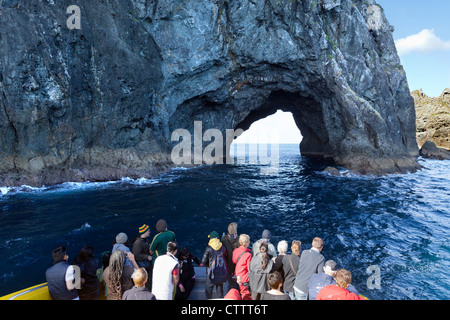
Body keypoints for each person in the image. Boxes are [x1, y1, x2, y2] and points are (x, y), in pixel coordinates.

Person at [202, 231, 228, 299]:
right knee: (220, 292)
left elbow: (203, 261)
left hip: (211, 273)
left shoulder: (209, 248)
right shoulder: (223, 247)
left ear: (211, 239)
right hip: (220, 272)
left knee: (208, 291)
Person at [232, 234, 252, 300]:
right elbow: (249, 268)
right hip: (244, 279)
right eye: (248, 241)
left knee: (237, 295)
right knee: (245, 296)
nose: (249, 242)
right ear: (246, 243)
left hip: (236, 276)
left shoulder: (235, 251)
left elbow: (234, 261)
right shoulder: (248, 255)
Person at [221, 222, 240, 293]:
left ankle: (226, 297)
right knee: (236, 283)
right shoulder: (239, 240)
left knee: (227, 284)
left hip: (227, 264)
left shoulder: (224, 239)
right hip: (236, 265)